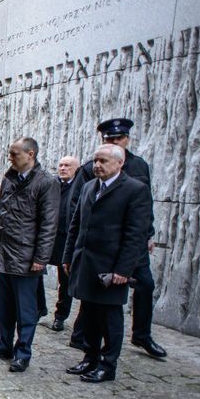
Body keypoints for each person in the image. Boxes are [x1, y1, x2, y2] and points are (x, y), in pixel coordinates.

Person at [67, 118, 166, 358]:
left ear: (127, 140)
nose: (114, 142)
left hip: (130, 245)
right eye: (109, 139)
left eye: (118, 139)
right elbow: (77, 206)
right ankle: (85, 342)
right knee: (92, 291)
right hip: (97, 245)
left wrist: (148, 235)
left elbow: (144, 208)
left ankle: (141, 335)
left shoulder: (138, 166)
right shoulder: (92, 167)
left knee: (144, 285)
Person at [62, 145, 151, 382]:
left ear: (119, 163)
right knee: (89, 314)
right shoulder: (90, 186)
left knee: (110, 318)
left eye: (103, 161)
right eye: (95, 160)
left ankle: (107, 364)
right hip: (86, 263)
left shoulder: (135, 190)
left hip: (111, 268)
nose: (97, 165)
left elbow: (136, 235)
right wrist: (69, 256)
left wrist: (124, 269)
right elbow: (76, 225)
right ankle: (89, 357)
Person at [0, 137, 60, 372]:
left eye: (15, 154)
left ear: (30, 154)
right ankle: (4, 344)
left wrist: (40, 258)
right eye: (10, 154)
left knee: (25, 309)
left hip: (26, 256)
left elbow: (48, 224)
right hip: (5, 252)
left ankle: (23, 352)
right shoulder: (9, 178)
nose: (10, 158)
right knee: (4, 307)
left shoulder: (46, 182)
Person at [39, 156, 78, 331]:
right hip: (47, 238)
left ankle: (60, 316)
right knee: (35, 272)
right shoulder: (52, 185)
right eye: (60, 165)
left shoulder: (79, 188)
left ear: (76, 169)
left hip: (66, 240)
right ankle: (39, 308)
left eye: (67, 166)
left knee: (65, 280)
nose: (62, 168)